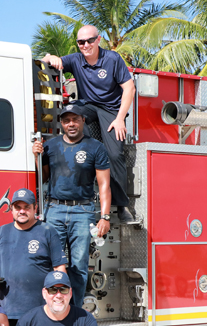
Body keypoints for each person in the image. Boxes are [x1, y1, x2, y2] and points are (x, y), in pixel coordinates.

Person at [41, 24, 137, 224]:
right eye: (81, 42)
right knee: (72, 116)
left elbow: (129, 89)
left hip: (111, 109)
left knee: (115, 153)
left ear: (98, 40)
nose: (85, 45)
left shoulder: (112, 59)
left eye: (89, 41)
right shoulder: (75, 59)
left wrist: (120, 119)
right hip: (88, 106)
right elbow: (45, 61)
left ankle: (121, 206)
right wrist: (51, 57)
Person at [32, 102, 112, 310]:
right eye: (67, 120)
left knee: (78, 265)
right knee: (52, 263)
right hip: (54, 210)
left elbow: (104, 185)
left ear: (83, 121)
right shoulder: (50, 146)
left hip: (83, 211)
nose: (71, 124)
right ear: (61, 123)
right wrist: (37, 157)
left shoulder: (95, 147)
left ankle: (74, 311)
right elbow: (44, 178)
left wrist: (105, 217)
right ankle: (51, 310)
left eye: (75, 119)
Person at [0, 188, 65, 326]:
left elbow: (59, 268)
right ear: (12, 210)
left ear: (35, 208)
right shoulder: (2, 232)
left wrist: (59, 298)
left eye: (26, 207)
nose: (22, 211)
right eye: (17, 207)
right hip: (8, 312)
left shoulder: (47, 231)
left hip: (40, 311)